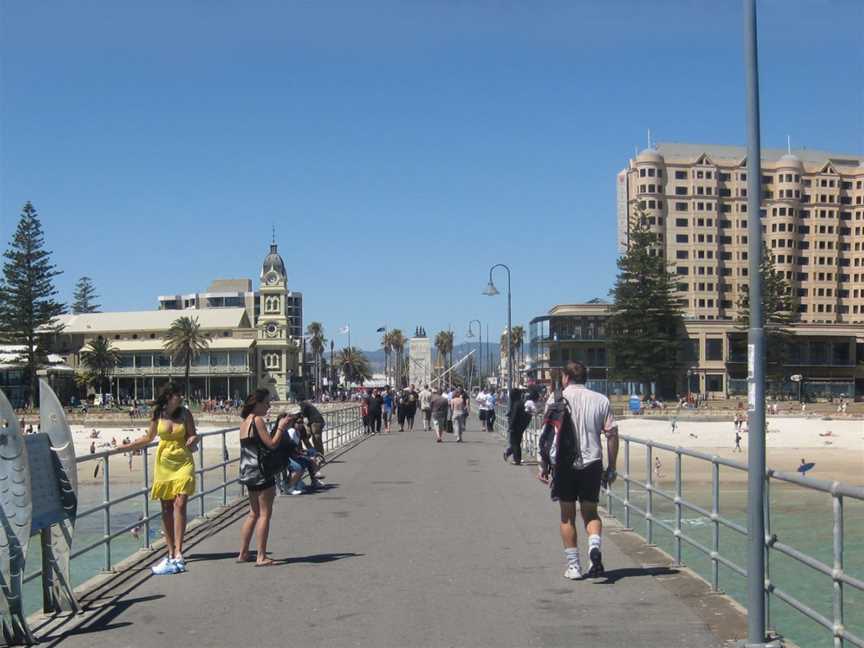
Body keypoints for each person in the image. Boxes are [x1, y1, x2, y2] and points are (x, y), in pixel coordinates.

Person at [539, 361, 619, 581]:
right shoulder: (601, 400)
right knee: (591, 512)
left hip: (564, 464)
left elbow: (546, 435)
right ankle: (594, 549)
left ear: (566, 377)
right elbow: (612, 435)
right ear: (586, 377)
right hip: (592, 463)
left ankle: (574, 567)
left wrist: (543, 465)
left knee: (567, 516)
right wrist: (611, 466)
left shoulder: (556, 400)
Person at [119, 383, 199, 575]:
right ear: (168, 396)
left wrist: (193, 439)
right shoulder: (158, 414)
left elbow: (193, 434)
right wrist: (127, 447)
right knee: (166, 507)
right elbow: (149, 437)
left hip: (183, 461)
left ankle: (179, 550)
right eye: (177, 395)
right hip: (164, 463)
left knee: (180, 504)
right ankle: (170, 550)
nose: (180, 398)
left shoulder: (185, 414)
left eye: (181, 395)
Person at [237, 389, 283, 566]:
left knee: (253, 513)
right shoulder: (257, 420)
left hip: (248, 471)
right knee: (264, 514)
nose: (269, 406)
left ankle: (243, 553)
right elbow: (271, 444)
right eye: (266, 403)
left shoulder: (245, 422)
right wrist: (281, 427)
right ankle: (261, 556)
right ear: (257, 404)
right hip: (261, 471)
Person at [504, 386, 538, 465]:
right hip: (521, 426)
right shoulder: (522, 403)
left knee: (515, 443)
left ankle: (516, 459)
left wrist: (510, 426)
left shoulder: (516, 404)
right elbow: (527, 415)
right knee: (517, 443)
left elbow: (513, 416)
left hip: (515, 426)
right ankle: (510, 455)